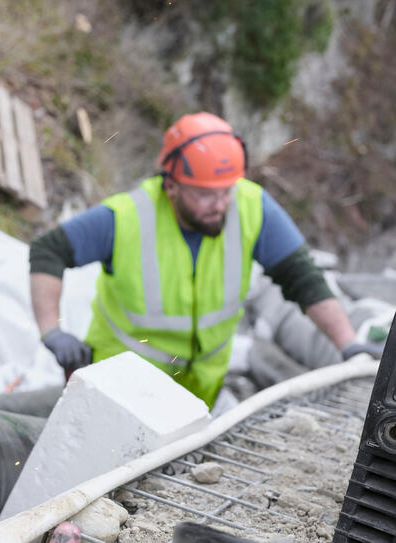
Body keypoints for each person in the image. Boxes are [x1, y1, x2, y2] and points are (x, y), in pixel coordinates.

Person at [28, 111, 380, 408]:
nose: (219, 204)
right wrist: (52, 330)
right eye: (204, 195)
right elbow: (48, 250)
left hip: (196, 395)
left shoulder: (251, 208)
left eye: (226, 191)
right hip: (120, 387)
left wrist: (347, 344)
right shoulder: (127, 217)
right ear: (172, 185)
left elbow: (303, 278)